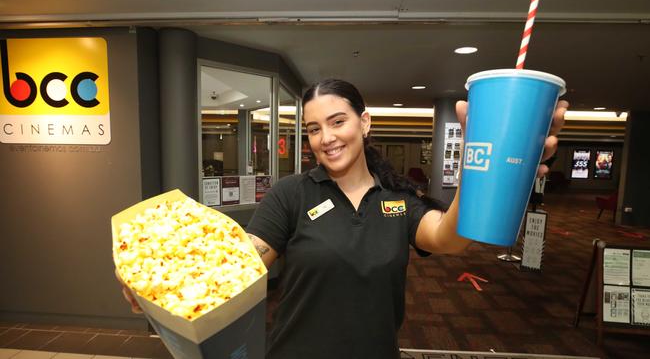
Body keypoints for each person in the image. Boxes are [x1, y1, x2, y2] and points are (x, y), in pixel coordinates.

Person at [118, 79, 568, 359]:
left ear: (365, 122)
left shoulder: (398, 200)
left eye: (337, 122)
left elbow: (450, 239)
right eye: (314, 129)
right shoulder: (292, 193)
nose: (326, 138)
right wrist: (164, 283)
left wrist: (484, 169)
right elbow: (242, 260)